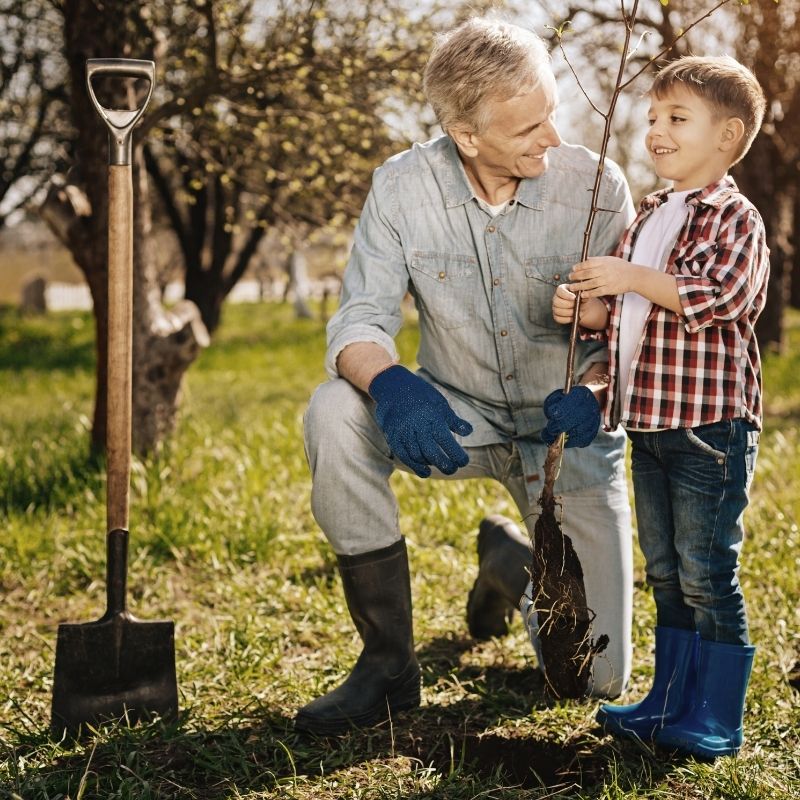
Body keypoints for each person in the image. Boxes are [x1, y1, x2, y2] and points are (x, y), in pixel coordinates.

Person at [297, 16, 636, 736]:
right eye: (528, 129)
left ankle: (512, 566)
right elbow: (357, 321)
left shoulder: (598, 186)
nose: (553, 136)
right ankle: (388, 667)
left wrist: (599, 391)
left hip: (565, 434)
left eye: (552, 114)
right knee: (332, 409)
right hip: (458, 419)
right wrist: (389, 384)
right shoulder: (400, 189)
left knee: (593, 679)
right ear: (466, 135)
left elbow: (637, 333)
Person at [550, 55, 768, 758]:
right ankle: (668, 699)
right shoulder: (648, 215)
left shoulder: (735, 216)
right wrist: (586, 310)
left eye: (677, 118)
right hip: (648, 425)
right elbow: (627, 327)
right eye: (652, 118)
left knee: (708, 572)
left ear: (728, 134)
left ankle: (715, 714)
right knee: (667, 570)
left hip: (709, 429)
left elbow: (722, 297)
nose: (657, 132)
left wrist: (630, 275)